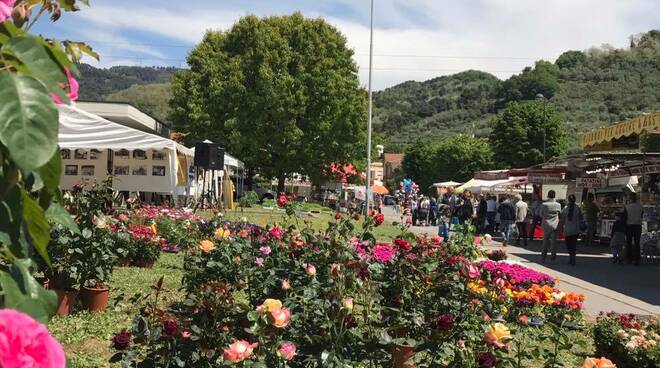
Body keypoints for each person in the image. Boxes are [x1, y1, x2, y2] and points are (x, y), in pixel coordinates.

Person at [560, 194, 583, 265]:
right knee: (574, 244)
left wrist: (560, 228)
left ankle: (571, 256)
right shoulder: (577, 208)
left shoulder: (565, 208)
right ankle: (572, 256)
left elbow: (562, 219)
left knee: (568, 245)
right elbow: (580, 218)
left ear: (568, 200)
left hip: (568, 230)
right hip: (576, 229)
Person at [540, 190, 562, 263]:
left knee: (545, 242)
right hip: (555, 225)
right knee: (554, 243)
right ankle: (553, 258)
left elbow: (540, 214)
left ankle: (543, 257)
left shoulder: (544, 204)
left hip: (546, 225)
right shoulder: (558, 205)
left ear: (548, 196)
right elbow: (560, 214)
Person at [624, 193, 643, 265]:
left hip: (629, 226)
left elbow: (625, 218)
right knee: (637, 243)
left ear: (630, 198)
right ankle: (637, 259)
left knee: (628, 243)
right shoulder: (640, 207)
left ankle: (629, 258)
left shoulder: (627, 207)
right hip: (638, 226)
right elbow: (641, 216)